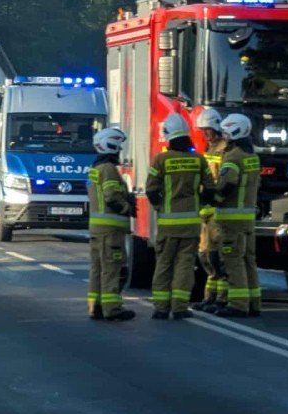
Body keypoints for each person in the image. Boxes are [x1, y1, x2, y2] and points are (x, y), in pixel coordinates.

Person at [144, 113, 210, 320]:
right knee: (185, 266)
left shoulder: (161, 160)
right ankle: (180, 307)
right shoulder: (198, 159)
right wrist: (198, 204)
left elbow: (151, 190)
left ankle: (161, 308)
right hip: (191, 224)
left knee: (164, 265)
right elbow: (209, 189)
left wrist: (159, 207)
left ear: (168, 135)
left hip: (167, 223)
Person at [213, 113, 262, 318]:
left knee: (233, 261)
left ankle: (238, 304)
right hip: (248, 219)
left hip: (231, 220)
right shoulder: (253, 157)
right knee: (248, 260)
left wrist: (211, 196)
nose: (223, 137)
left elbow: (227, 185)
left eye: (225, 133)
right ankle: (253, 303)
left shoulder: (233, 157)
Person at [87, 127, 136, 322]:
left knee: (97, 269)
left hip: (97, 229)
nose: (119, 151)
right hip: (111, 230)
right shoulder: (108, 170)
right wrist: (128, 207)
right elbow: (111, 196)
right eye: (118, 147)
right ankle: (112, 308)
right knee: (112, 268)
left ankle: (95, 306)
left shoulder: (94, 169)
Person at [191, 108, 229, 312]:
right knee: (204, 255)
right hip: (206, 212)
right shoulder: (210, 149)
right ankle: (209, 297)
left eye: (207, 130)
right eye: (203, 130)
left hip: (218, 212)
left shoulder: (224, 150)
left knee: (217, 256)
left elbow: (222, 181)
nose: (205, 133)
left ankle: (221, 298)